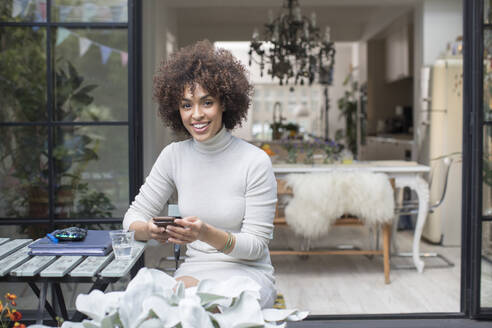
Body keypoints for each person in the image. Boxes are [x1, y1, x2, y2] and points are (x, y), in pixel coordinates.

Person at [122, 40, 278, 308]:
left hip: (248, 277)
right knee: (147, 303)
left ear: (225, 104)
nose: (196, 115)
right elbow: (131, 220)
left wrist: (205, 233)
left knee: (213, 306)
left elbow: (255, 247)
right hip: (194, 274)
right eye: (186, 105)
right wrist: (148, 230)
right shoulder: (174, 156)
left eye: (207, 102)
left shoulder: (255, 161)